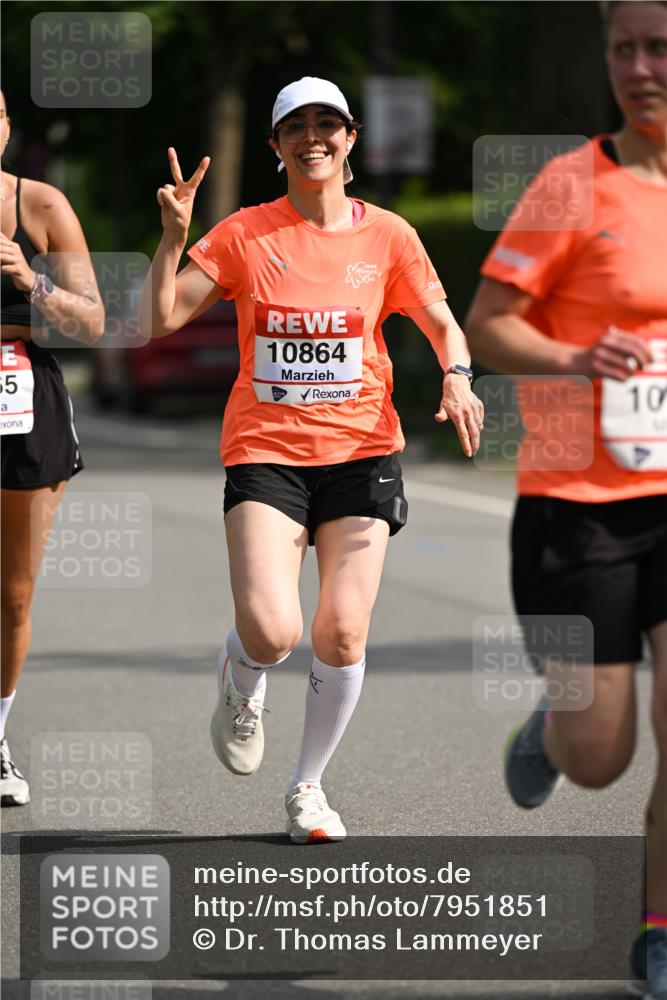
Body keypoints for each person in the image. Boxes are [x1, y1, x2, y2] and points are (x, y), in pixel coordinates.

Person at [140, 76, 483, 843]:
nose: (312, 137)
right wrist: (171, 236)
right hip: (266, 450)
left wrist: (457, 378)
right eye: (295, 127)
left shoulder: (390, 235)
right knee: (271, 630)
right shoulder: (242, 234)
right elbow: (159, 318)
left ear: (351, 138)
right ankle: (242, 675)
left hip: (363, 451)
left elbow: (441, 323)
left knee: (343, 634)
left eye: (328, 123)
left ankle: (307, 789)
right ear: (276, 146)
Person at [465, 3, 667, 994]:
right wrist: (576, 357)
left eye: (658, 47)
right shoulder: (568, 183)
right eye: (621, 48)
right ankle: (553, 728)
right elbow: (489, 323)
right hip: (578, 498)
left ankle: (659, 931)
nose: (637, 66)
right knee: (599, 753)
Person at [0, 91, 104, 805]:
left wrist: (31, 281)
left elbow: (94, 320)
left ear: (5, 125)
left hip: (21, 399)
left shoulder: (38, 206)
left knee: (11, 595)